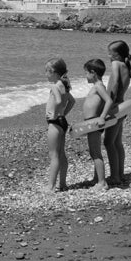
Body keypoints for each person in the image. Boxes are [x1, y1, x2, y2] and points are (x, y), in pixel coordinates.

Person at [103, 40, 131, 187]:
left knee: (108, 142)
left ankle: (115, 176)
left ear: (117, 55)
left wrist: (110, 102)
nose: (108, 56)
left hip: (115, 107)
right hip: (123, 107)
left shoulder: (116, 64)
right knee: (117, 142)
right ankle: (120, 173)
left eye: (110, 53)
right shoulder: (127, 67)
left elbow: (115, 83)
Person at [82, 58, 114, 191]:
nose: (85, 75)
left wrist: (101, 117)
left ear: (93, 73)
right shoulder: (97, 86)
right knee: (94, 152)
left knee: (95, 153)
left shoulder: (98, 86)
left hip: (95, 122)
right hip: (91, 122)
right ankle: (97, 179)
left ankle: (102, 182)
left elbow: (109, 101)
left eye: (86, 73)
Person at [44, 57, 76, 193]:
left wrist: (54, 114)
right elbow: (72, 101)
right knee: (61, 154)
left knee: (54, 155)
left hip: (54, 123)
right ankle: (62, 183)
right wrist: (63, 114)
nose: (46, 74)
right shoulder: (64, 85)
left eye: (47, 71)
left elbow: (57, 101)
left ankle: (50, 187)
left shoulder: (55, 85)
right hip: (62, 122)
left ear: (54, 72)